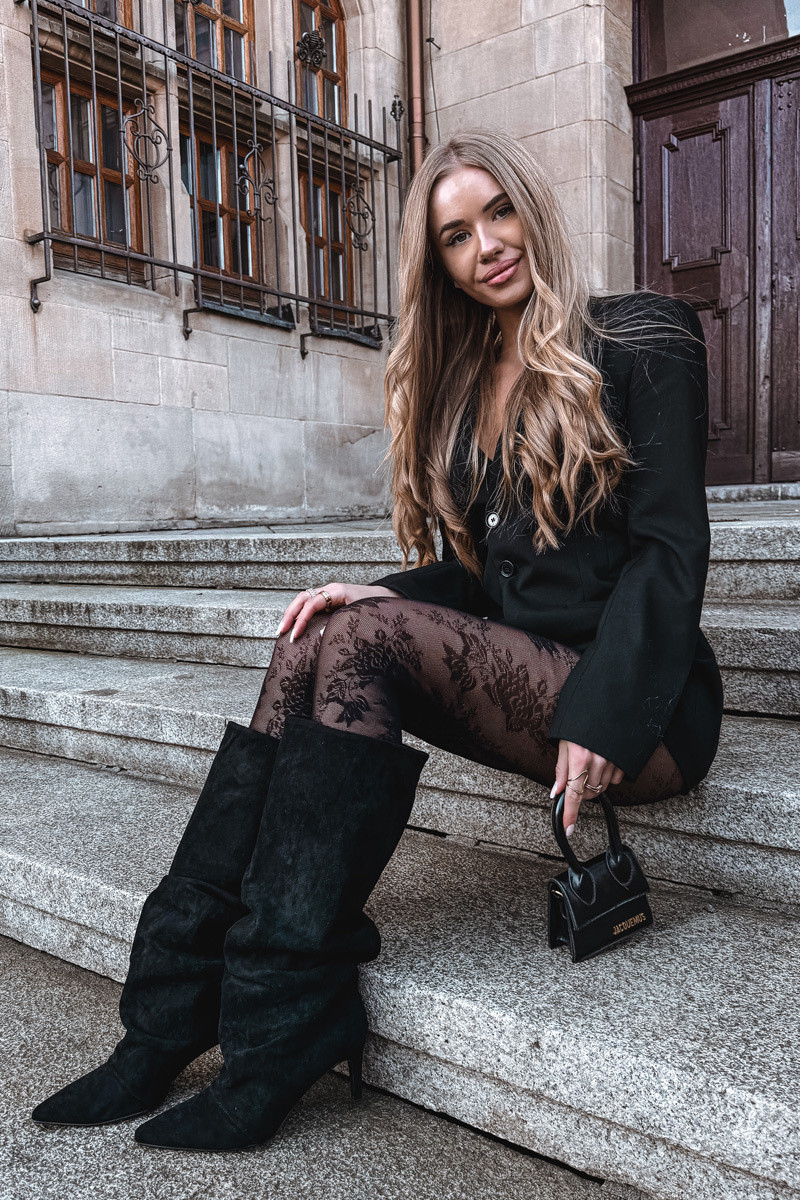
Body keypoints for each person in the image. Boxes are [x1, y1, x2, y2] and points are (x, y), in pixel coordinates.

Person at [31, 129, 723, 1152]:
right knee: (319, 633)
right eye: (456, 235)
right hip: (520, 675)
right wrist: (380, 590)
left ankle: (278, 1025)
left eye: (498, 212)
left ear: (532, 206)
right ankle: (170, 1015)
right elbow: (490, 583)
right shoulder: (468, 385)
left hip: (639, 701)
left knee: (359, 643)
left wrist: (608, 710)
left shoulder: (641, 336)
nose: (487, 245)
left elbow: (669, 551)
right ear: (437, 263)